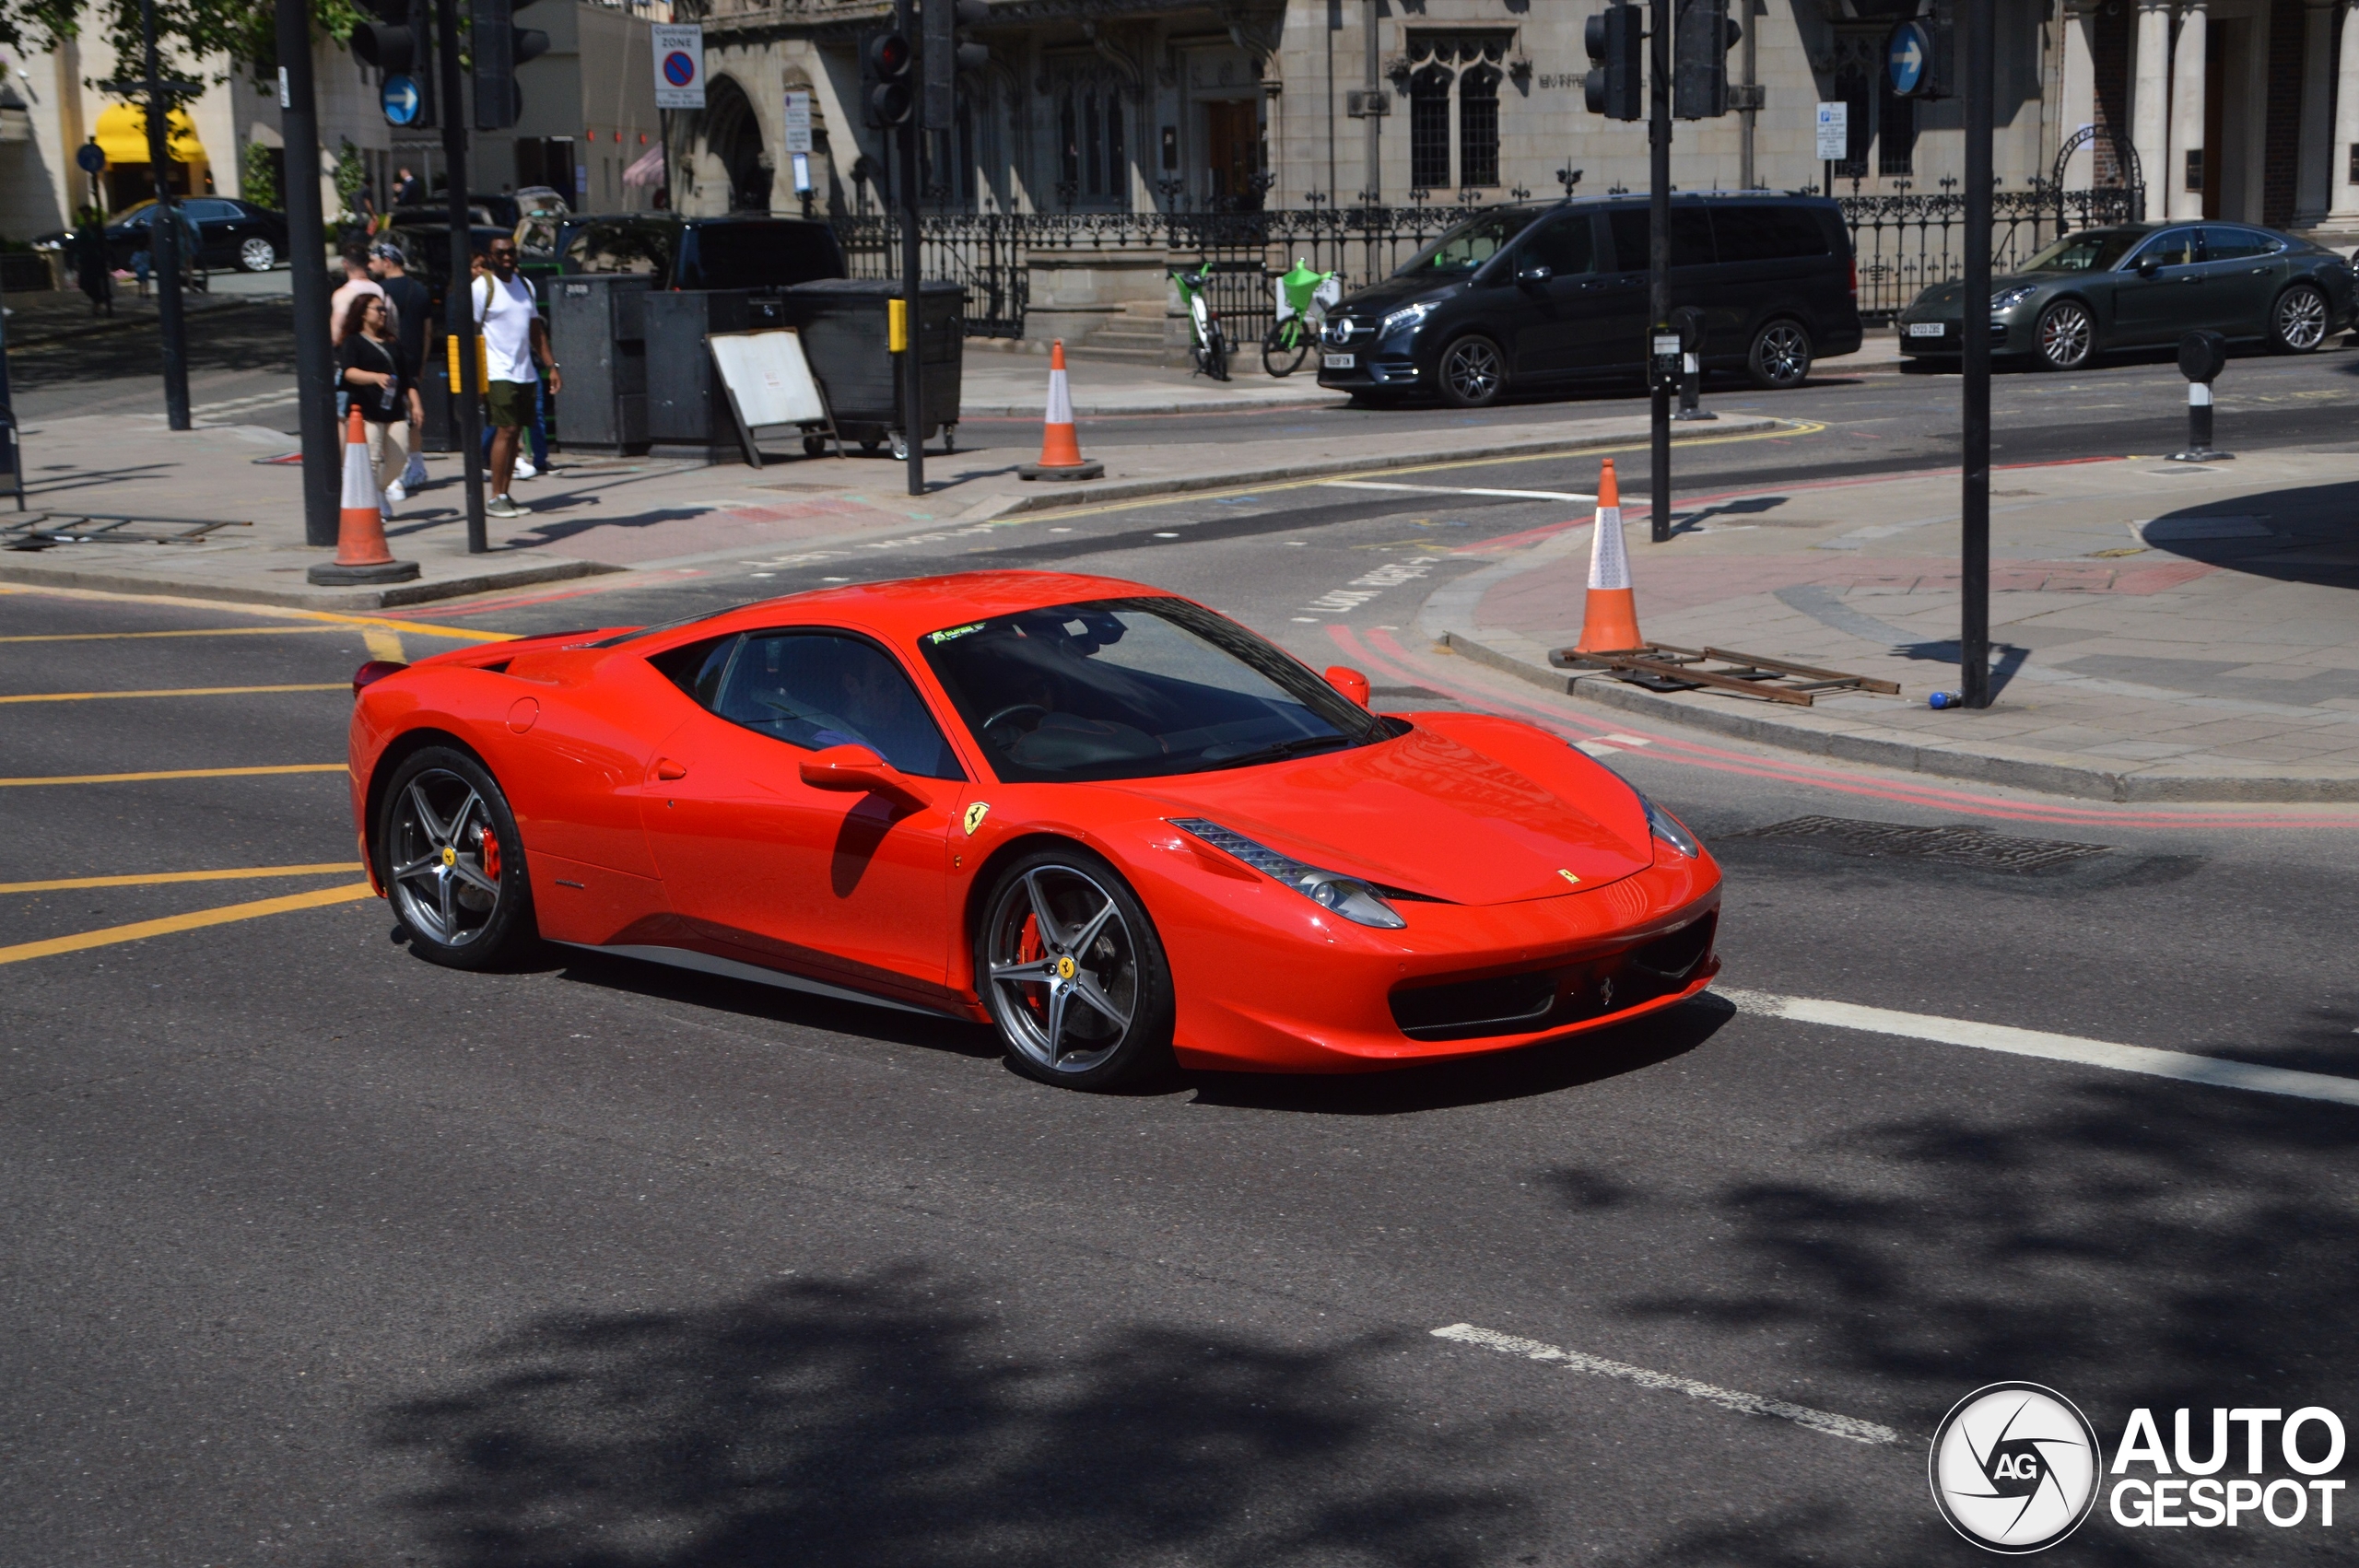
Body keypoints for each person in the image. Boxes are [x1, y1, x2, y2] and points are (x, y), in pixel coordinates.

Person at [470, 236, 559, 519]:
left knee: (516, 433)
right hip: (497, 371)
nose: (507, 257)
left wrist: (551, 366)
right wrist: (477, 379)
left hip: (525, 372)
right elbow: (470, 335)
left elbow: (536, 331)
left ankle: (506, 494)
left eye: (511, 252)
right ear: (490, 256)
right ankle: (495, 496)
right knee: (505, 430)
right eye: (501, 253)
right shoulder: (482, 287)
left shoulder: (525, 286)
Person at [334, 293, 422, 521]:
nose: (383, 313)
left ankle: (380, 489)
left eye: (384, 309)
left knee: (400, 456)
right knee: (371, 459)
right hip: (366, 409)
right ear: (363, 313)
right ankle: (371, 503)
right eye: (378, 309)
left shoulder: (392, 342)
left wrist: (416, 404)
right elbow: (349, 372)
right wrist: (375, 377)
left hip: (393, 410)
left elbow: (406, 378)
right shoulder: (353, 341)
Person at [370, 240, 432, 497]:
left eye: (373, 260)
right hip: (414, 357)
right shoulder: (419, 289)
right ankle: (416, 464)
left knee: (393, 414)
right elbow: (427, 331)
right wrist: (422, 362)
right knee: (412, 413)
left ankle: (399, 471)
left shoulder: (379, 292)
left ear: (387, 262)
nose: (370, 265)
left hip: (391, 358)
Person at [328, 240, 385, 346]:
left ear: (345, 264)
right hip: (377, 348)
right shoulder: (379, 289)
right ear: (367, 264)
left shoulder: (343, 294)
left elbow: (336, 332)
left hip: (354, 352)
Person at [73, 208, 111, 318]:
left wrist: (105, 259)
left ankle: (97, 306)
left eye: (88, 216)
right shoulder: (83, 230)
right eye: (85, 216)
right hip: (86, 261)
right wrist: (78, 260)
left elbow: (103, 243)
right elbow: (79, 246)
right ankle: (98, 301)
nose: (87, 218)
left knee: (97, 284)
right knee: (85, 284)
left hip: (97, 260)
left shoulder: (96, 228)